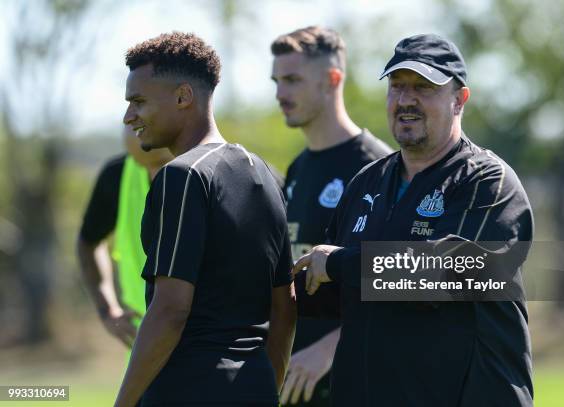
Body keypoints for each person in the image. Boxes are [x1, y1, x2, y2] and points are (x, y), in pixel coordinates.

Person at [293, 34, 534, 406]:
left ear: (459, 99)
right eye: (397, 86)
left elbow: (445, 273)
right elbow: (329, 295)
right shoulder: (365, 184)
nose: (406, 100)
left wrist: (339, 263)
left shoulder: (488, 181)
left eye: (423, 87)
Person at [114, 32, 296, 407]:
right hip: (255, 388)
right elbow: (285, 306)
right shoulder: (263, 174)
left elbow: (169, 311)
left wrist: (124, 403)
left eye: (138, 101)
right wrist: (266, 388)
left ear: (183, 97)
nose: (129, 116)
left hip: (187, 390)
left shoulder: (182, 176)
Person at [270, 26, 392, 406]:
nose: (280, 94)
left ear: (332, 80)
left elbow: (399, 284)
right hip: (297, 383)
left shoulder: (378, 168)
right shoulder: (297, 170)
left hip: (356, 380)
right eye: (276, 81)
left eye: (292, 80)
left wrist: (329, 348)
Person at [77, 126, 172, 348]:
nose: (131, 116)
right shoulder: (119, 176)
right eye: (130, 104)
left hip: (211, 348)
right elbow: (88, 242)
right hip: (145, 347)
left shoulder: (222, 173)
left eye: (140, 102)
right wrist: (107, 310)